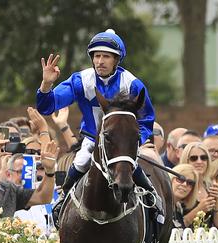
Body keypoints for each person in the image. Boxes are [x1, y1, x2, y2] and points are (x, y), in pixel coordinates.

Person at [36, 29, 161, 220]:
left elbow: (146, 120)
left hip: (122, 144)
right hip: (91, 140)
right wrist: (46, 84)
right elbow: (46, 107)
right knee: (81, 160)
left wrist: (134, 141)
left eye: (106, 56)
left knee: (131, 166)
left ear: (116, 60)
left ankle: (154, 201)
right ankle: (62, 200)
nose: (100, 61)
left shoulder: (133, 84)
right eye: (96, 56)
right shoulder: (80, 80)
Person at [170, 164, 200, 229]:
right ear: (171, 178)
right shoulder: (161, 206)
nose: (184, 184)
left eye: (190, 183)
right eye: (180, 179)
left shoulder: (178, 208)